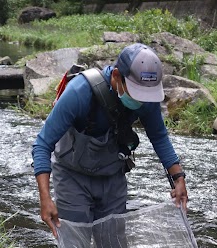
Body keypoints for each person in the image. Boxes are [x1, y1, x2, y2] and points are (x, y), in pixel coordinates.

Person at [32, 42, 188, 236]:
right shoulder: (79, 92)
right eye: (136, 93)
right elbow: (42, 145)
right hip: (71, 176)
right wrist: (45, 199)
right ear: (116, 76)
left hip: (112, 176)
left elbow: (158, 136)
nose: (141, 101)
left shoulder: (146, 97)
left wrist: (178, 177)